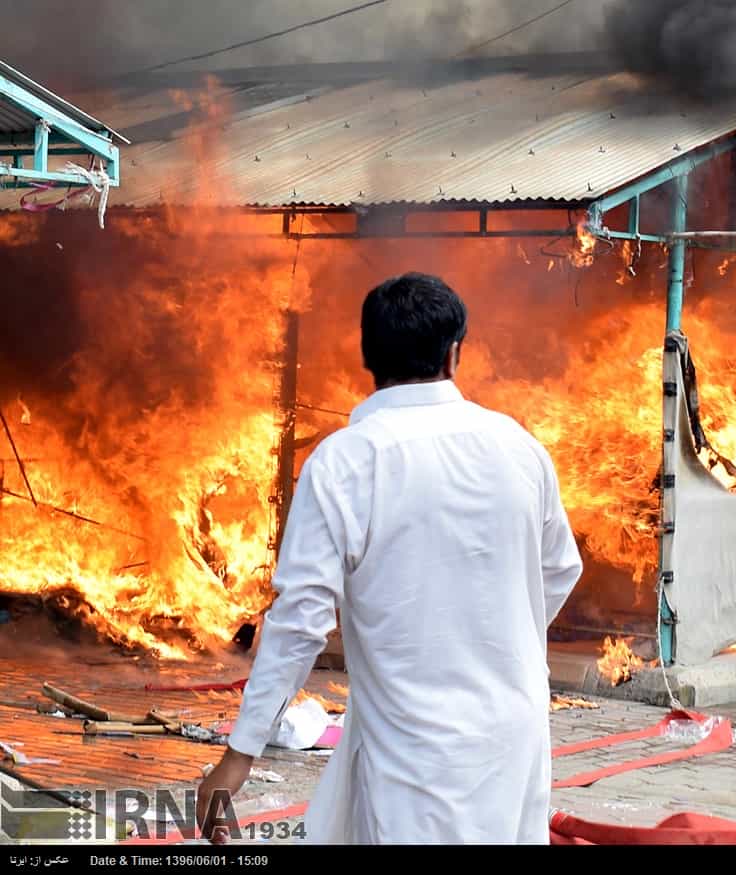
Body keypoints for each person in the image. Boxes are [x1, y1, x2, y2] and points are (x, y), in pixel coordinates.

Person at [196, 272, 583, 843]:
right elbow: (561, 568)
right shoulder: (520, 448)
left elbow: (301, 621)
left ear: (367, 357)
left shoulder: (345, 462)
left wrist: (240, 754)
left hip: (413, 748)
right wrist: (491, 637)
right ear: (454, 354)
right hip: (513, 736)